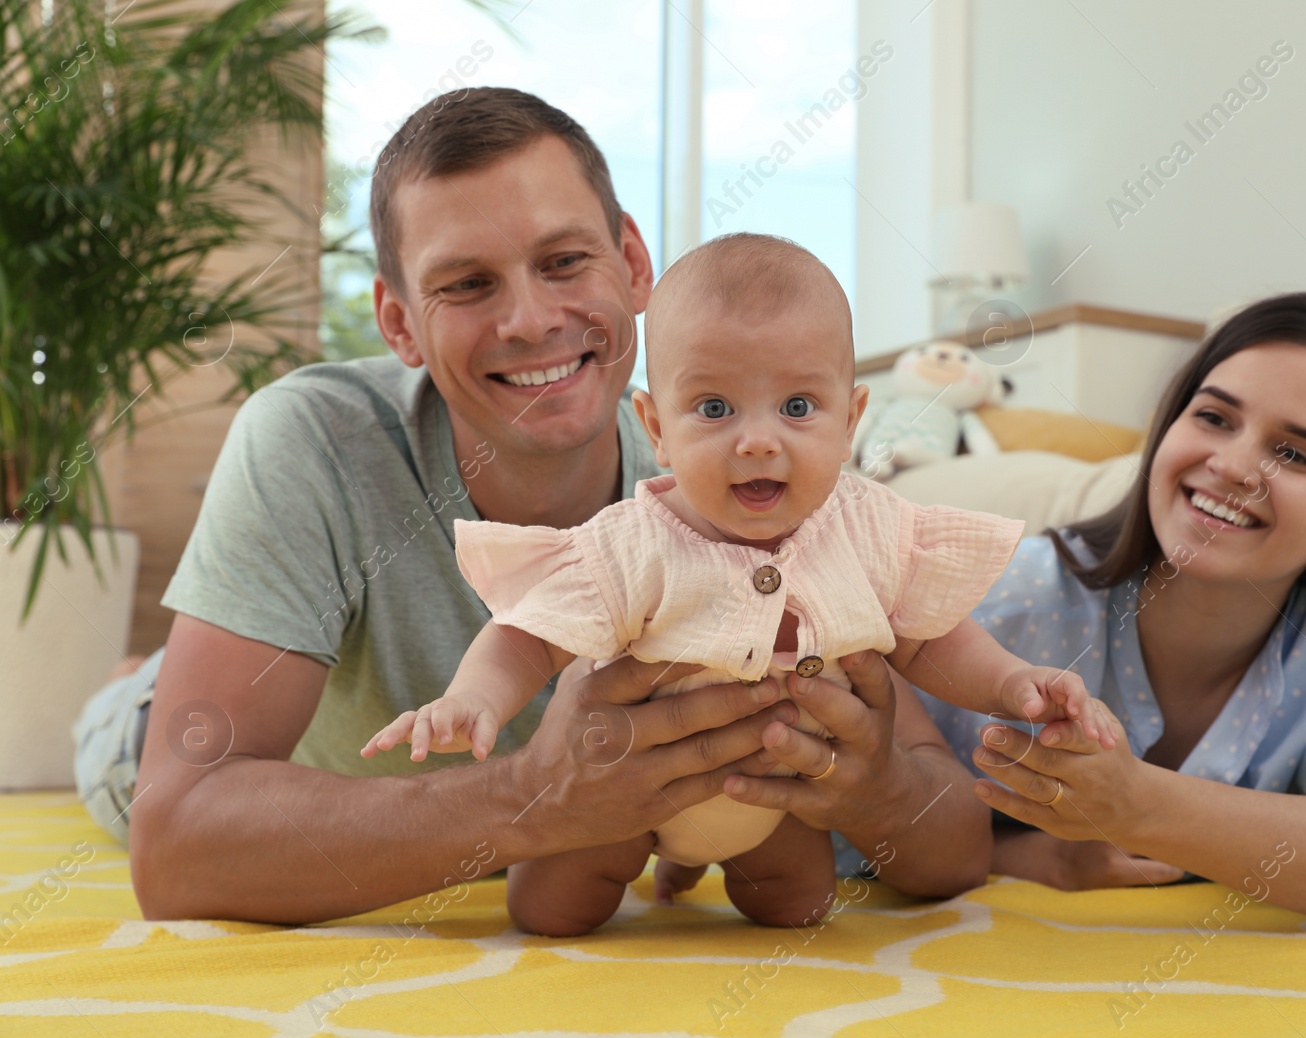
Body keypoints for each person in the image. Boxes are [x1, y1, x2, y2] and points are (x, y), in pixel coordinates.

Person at [72, 88, 991, 925]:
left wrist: (870, 793)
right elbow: (176, 846)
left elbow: (955, 841)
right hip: (157, 741)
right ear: (398, 325)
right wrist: (536, 798)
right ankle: (142, 675)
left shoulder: (749, 487)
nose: (530, 320)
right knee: (141, 714)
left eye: (564, 260)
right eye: (467, 284)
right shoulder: (310, 441)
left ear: (633, 262)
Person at [360, 233, 1114, 935]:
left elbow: (933, 636)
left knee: (799, 906)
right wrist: (473, 699)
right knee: (551, 909)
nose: (758, 439)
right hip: (629, 798)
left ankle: (725, 882)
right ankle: (650, 862)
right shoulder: (634, 540)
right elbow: (527, 631)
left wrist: (1016, 684)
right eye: (714, 408)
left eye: (797, 407)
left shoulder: (869, 528)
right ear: (656, 426)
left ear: (849, 420)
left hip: (779, 793)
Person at [923, 292, 1306, 932]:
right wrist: (1037, 858)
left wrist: (1140, 804)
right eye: (1215, 418)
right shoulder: (1009, 595)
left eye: (1295, 454)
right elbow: (853, 813)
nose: (1232, 466)